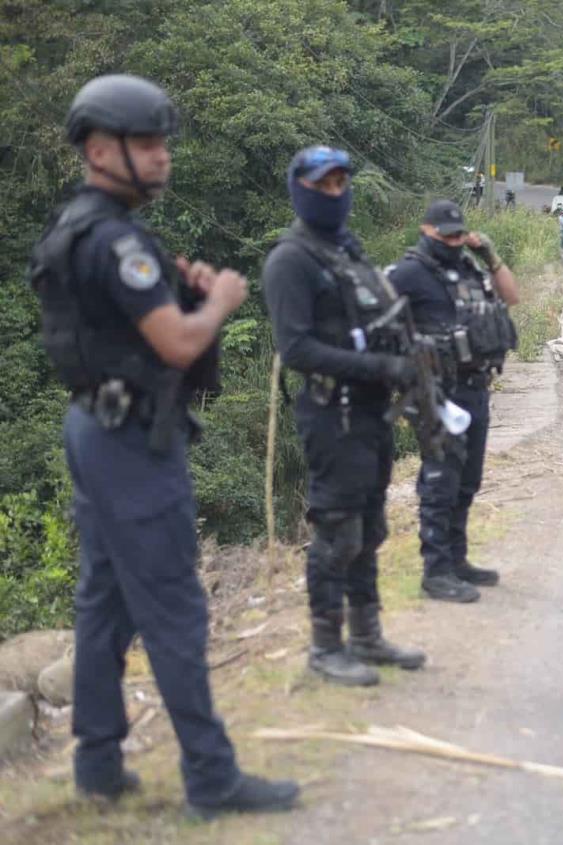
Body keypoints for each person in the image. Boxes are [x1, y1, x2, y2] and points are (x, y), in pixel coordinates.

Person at [28, 74, 298, 819]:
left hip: (93, 426)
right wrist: (217, 301)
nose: (162, 156)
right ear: (98, 149)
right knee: (175, 606)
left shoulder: (75, 226)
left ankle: (97, 764)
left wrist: (182, 297)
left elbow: (116, 331)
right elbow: (177, 344)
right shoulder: (116, 240)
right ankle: (212, 778)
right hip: (128, 444)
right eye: (146, 142)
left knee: (105, 600)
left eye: (161, 142)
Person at [263, 146, 427, 687]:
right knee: (338, 533)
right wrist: (377, 364)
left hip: (373, 414)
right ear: (300, 190)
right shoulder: (291, 260)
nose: (334, 193)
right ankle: (325, 647)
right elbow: (298, 349)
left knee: (372, 527)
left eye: (340, 184)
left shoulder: (348, 253)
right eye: (322, 185)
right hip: (332, 416)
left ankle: (366, 635)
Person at [388, 200, 520, 603]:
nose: (452, 241)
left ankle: (458, 560)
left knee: (468, 480)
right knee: (440, 480)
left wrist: (491, 256)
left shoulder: (469, 267)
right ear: (427, 232)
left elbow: (511, 298)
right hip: (435, 391)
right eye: (445, 235)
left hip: (475, 387)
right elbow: (371, 315)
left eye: (458, 235)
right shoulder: (408, 273)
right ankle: (436, 569)